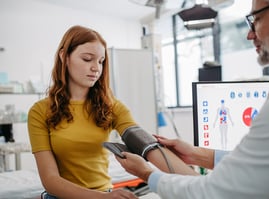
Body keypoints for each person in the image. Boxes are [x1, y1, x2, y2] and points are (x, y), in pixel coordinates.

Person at [116, 0, 269, 198]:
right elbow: (267, 162)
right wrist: (196, 155)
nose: (250, 34)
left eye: (257, 19)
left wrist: (146, 173)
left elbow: (216, 193)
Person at [27, 25, 196, 199]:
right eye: (87, 59)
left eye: (100, 61)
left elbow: (148, 146)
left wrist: (201, 184)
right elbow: (51, 180)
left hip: (104, 193)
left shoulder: (112, 107)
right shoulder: (40, 111)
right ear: (64, 56)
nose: (96, 68)